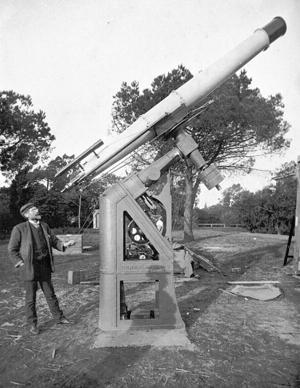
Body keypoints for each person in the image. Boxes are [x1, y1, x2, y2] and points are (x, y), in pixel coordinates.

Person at [8, 203, 75, 335]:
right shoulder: (19, 228)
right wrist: (20, 263)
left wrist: (64, 245)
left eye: (36, 208)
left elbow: (54, 241)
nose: (37, 210)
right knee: (30, 299)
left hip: (44, 266)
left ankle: (59, 318)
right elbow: (12, 249)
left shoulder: (44, 226)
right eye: (33, 210)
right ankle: (32, 324)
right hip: (29, 268)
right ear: (27, 214)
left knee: (50, 294)